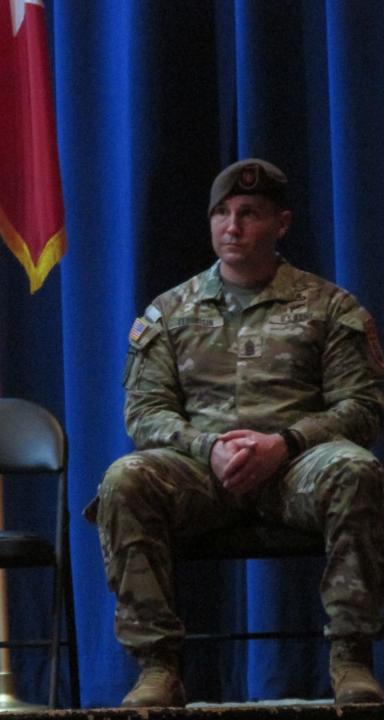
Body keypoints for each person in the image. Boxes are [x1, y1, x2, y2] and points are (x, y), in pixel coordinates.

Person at [84, 158, 384, 708]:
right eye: (221, 213)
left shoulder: (328, 306)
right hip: (203, 470)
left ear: (282, 223)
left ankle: (350, 657)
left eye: (249, 213)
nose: (232, 226)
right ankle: (158, 666)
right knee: (125, 479)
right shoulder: (170, 311)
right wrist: (208, 447)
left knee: (356, 470)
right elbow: (144, 412)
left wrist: (284, 444)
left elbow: (362, 407)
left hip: (295, 467)